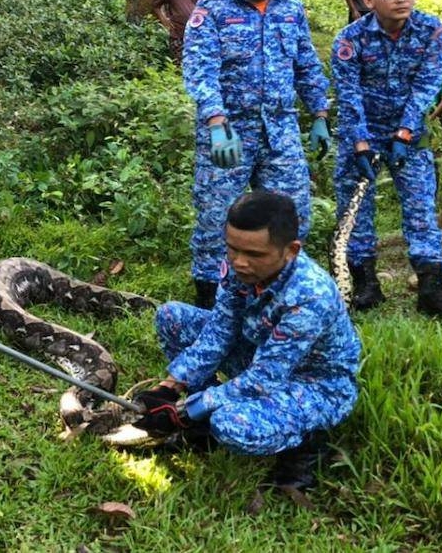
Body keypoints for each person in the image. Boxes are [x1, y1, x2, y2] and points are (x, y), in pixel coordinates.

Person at [114, 191, 361, 495]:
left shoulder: (310, 296)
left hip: (313, 382)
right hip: (257, 353)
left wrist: (184, 411)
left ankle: (308, 446)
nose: (240, 263)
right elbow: (219, 331)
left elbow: (265, 377)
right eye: (232, 250)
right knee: (172, 317)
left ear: (291, 250)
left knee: (232, 426)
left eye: (255, 255)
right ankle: (199, 428)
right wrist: (169, 387)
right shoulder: (239, 267)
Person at [182, 0, 330, 309]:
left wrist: (319, 112)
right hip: (228, 134)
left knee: (292, 214)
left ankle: (282, 298)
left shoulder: (291, 7)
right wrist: (216, 121)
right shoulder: (211, 12)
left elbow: (306, 65)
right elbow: (201, 71)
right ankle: (210, 304)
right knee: (217, 217)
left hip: (280, 132)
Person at [332, 0, 442, 317]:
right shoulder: (350, 39)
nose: (402, 0)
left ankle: (431, 286)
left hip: (409, 134)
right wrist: (360, 143)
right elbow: (348, 92)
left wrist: (404, 133)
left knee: (420, 208)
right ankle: (365, 282)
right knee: (356, 208)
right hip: (361, 133)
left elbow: (427, 85)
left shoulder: (432, 30)